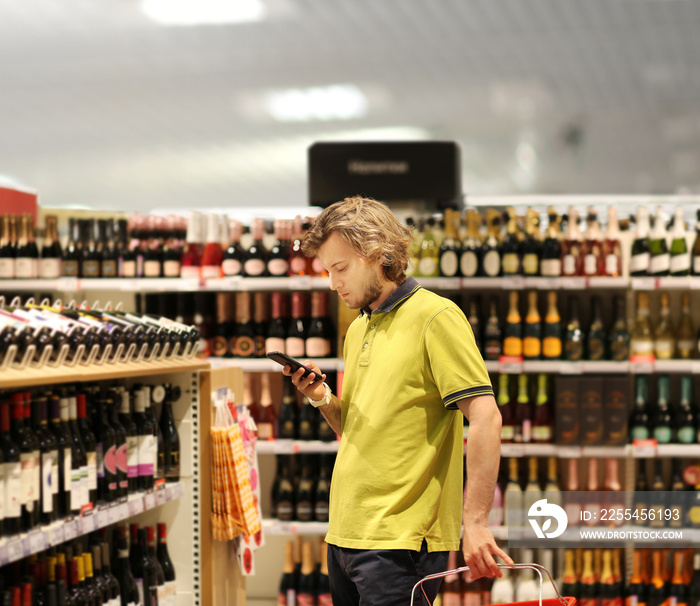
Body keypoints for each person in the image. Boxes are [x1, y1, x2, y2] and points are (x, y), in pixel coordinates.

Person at [282, 196, 511, 605]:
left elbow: (485, 417)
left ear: (376, 254)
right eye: (328, 272)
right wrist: (321, 398)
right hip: (346, 534)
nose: (334, 283)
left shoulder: (435, 317)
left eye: (340, 268)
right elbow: (352, 430)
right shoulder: (358, 328)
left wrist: (475, 522)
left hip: (402, 544)